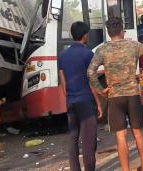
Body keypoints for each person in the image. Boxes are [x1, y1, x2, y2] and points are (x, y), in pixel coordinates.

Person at [87, 17, 143, 171]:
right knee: (138, 133)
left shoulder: (102, 49)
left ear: (108, 33)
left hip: (115, 98)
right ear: (122, 31)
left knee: (121, 137)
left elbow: (90, 72)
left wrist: (101, 91)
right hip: (133, 95)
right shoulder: (133, 45)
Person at [58, 21, 103, 171]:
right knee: (88, 141)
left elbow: (62, 82)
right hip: (86, 102)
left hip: (71, 101)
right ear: (84, 35)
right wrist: (98, 103)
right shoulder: (88, 54)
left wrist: (69, 98)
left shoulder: (63, 55)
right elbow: (92, 81)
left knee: (73, 138)